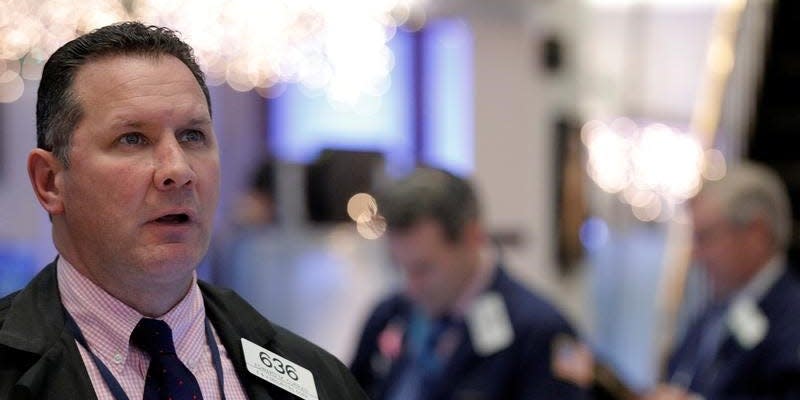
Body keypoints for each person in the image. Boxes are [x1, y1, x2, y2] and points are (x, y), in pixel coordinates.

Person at [0, 22, 367, 400]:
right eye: (132, 139)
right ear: (50, 181)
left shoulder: (318, 379)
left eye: (193, 136)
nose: (178, 170)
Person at [350, 166, 588, 399]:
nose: (411, 286)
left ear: (472, 237)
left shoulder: (540, 333)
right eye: (401, 267)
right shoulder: (389, 315)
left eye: (423, 269)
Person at [644, 162, 800, 399]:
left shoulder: (791, 318)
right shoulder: (714, 310)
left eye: (705, 237)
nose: (696, 255)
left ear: (756, 234)